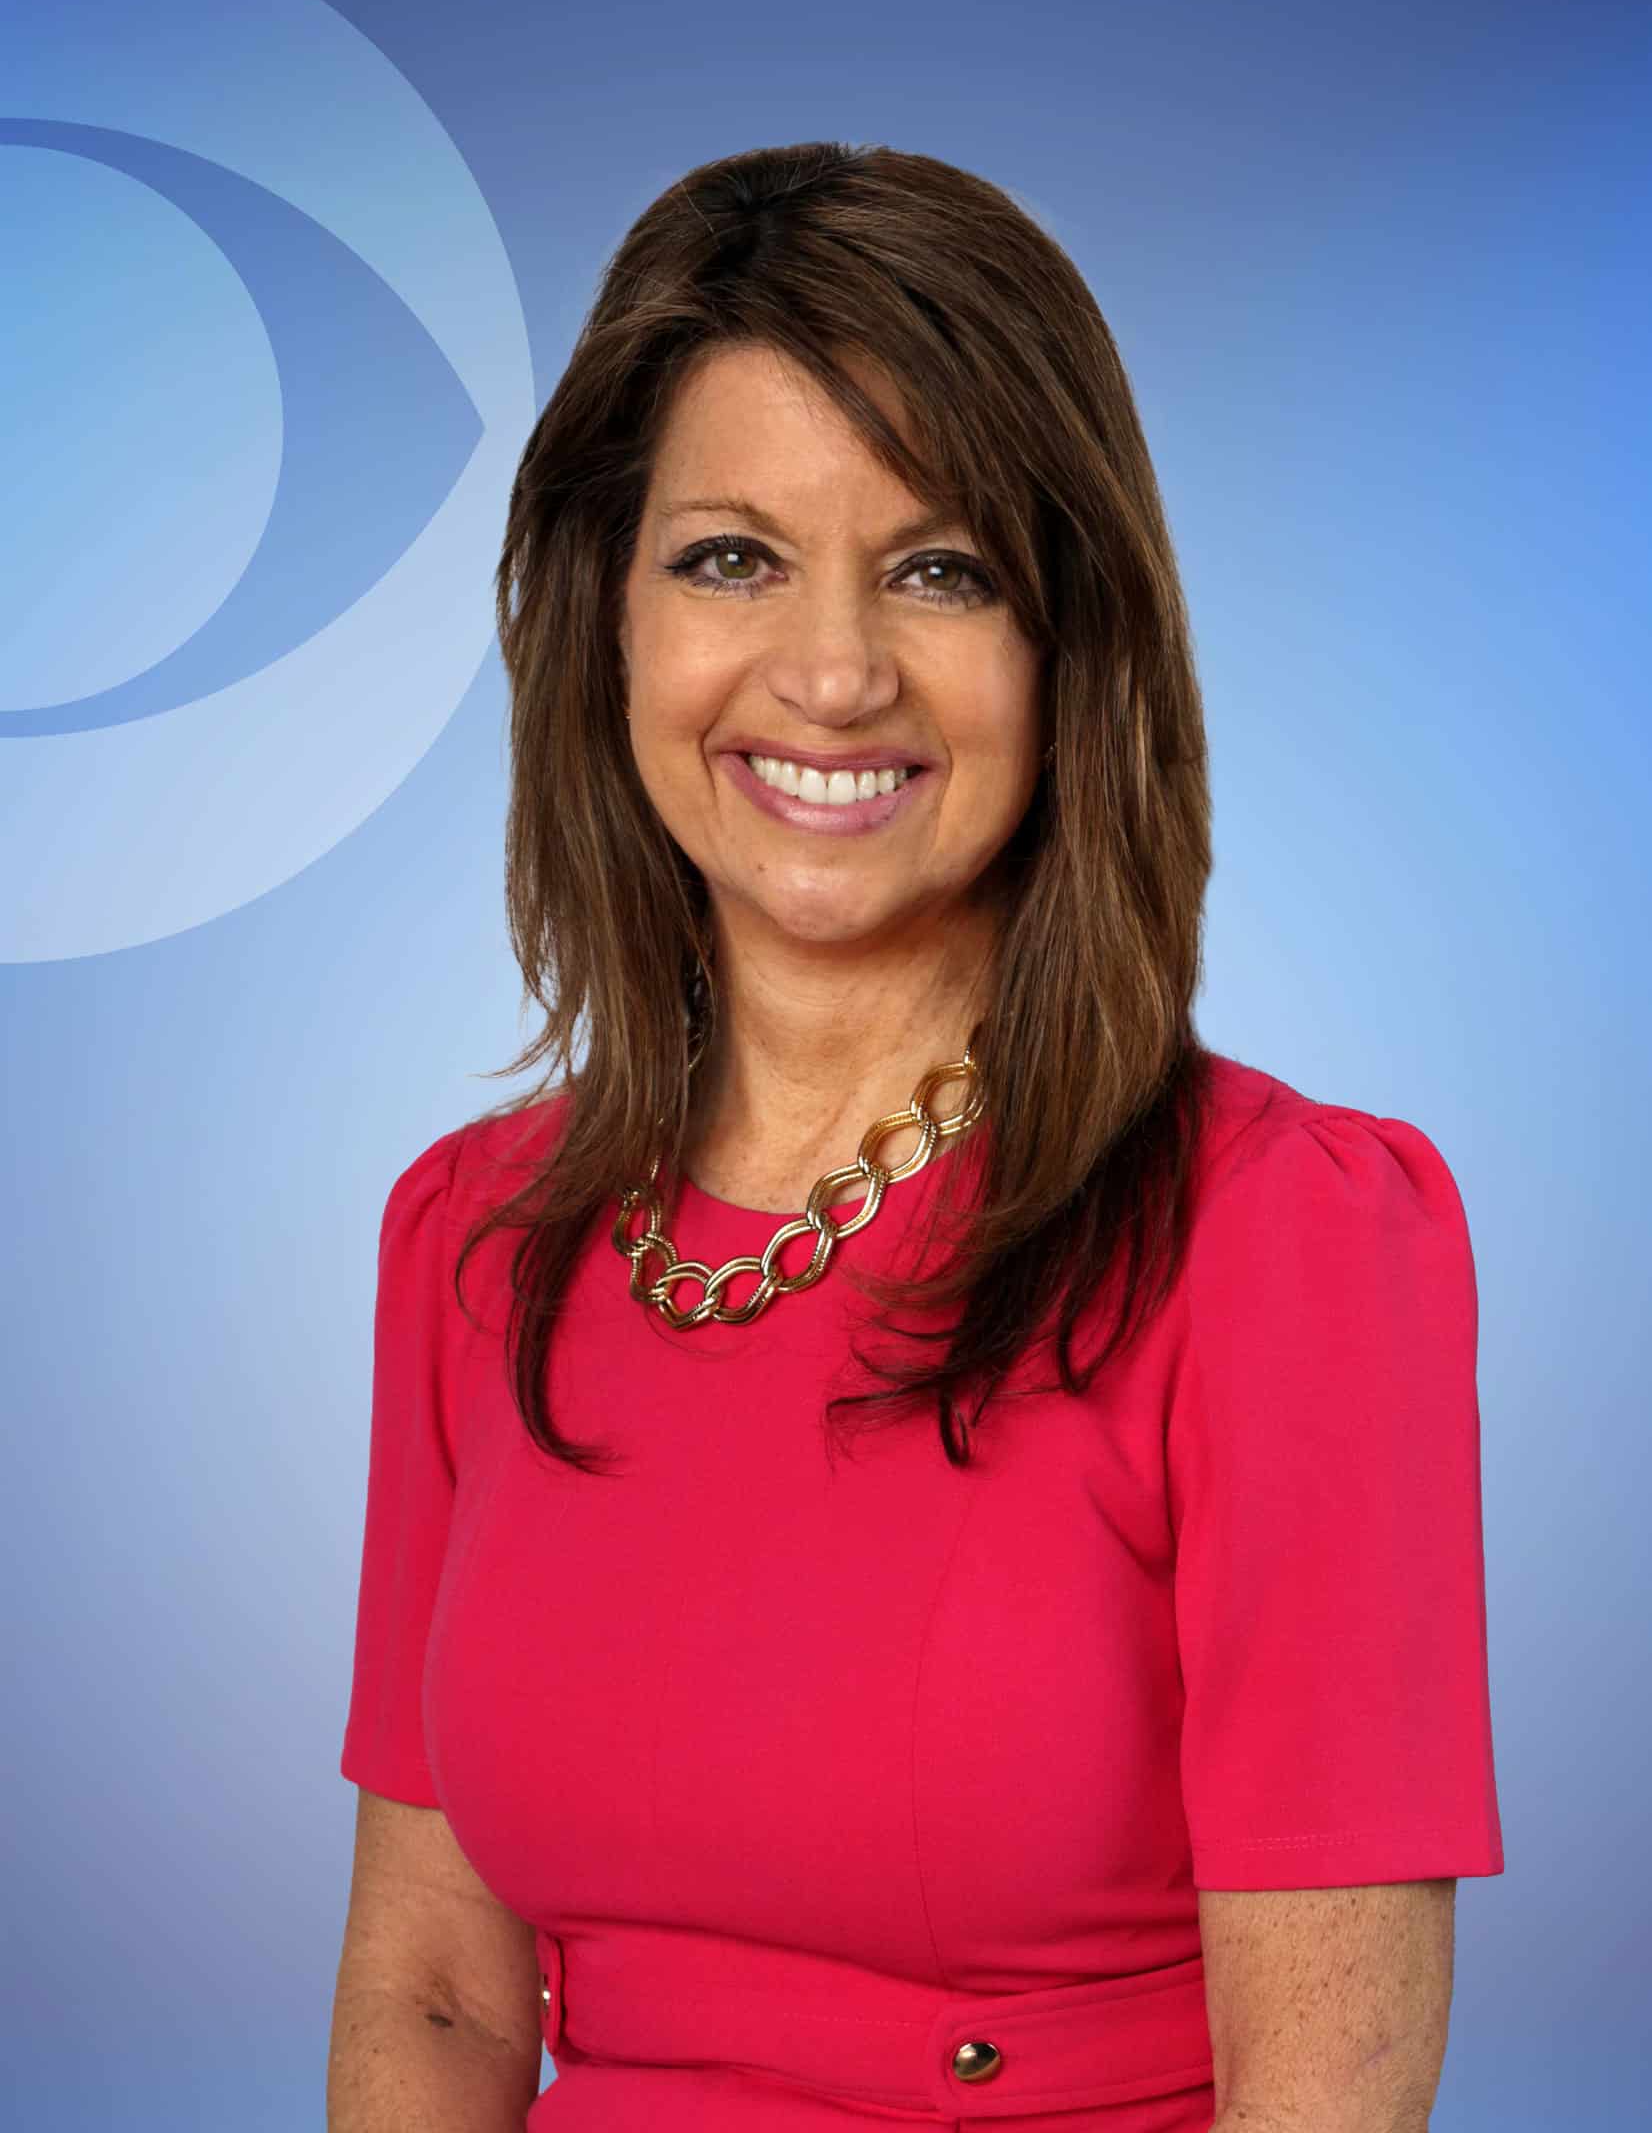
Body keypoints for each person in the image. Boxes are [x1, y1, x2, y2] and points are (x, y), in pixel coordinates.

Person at [327, 141, 1503, 2133]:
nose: (832, 673)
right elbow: (433, 1997)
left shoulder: (1282, 1239)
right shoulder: (474, 1241)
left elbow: (1331, 2082)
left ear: (1068, 645)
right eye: (731, 557)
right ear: (605, 615)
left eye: (940, 568)